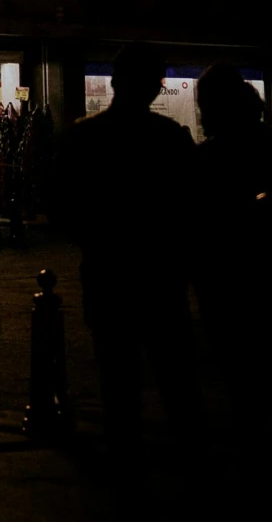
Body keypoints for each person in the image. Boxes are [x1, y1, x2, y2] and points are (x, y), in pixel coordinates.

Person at [60, 41, 202, 466]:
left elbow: (66, 209)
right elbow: (190, 207)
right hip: (160, 276)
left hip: (108, 274)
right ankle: (193, 463)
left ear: (116, 82)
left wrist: (99, 240)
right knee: (176, 379)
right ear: (155, 88)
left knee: (118, 379)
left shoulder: (83, 138)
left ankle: (126, 461)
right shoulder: (171, 140)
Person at [188, 68, 272, 368]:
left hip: (233, 271)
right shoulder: (269, 141)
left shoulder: (215, 153)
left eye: (204, 105)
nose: (201, 113)